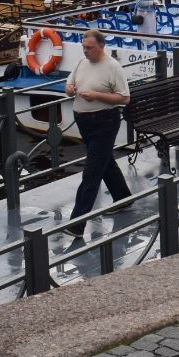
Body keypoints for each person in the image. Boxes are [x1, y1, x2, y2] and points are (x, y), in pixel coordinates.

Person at [65, 29, 133, 238]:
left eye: (90, 48)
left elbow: (124, 98)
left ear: (101, 46)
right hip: (84, 121)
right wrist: (68, 87)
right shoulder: (81, 63)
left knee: (92, 173)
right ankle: (123, 198)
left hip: (104, 122)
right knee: (105, 163)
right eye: (84, 47)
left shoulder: (113, 67)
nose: (86, 51)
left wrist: (96, 95)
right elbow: (70, 81)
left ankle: (76, 224)